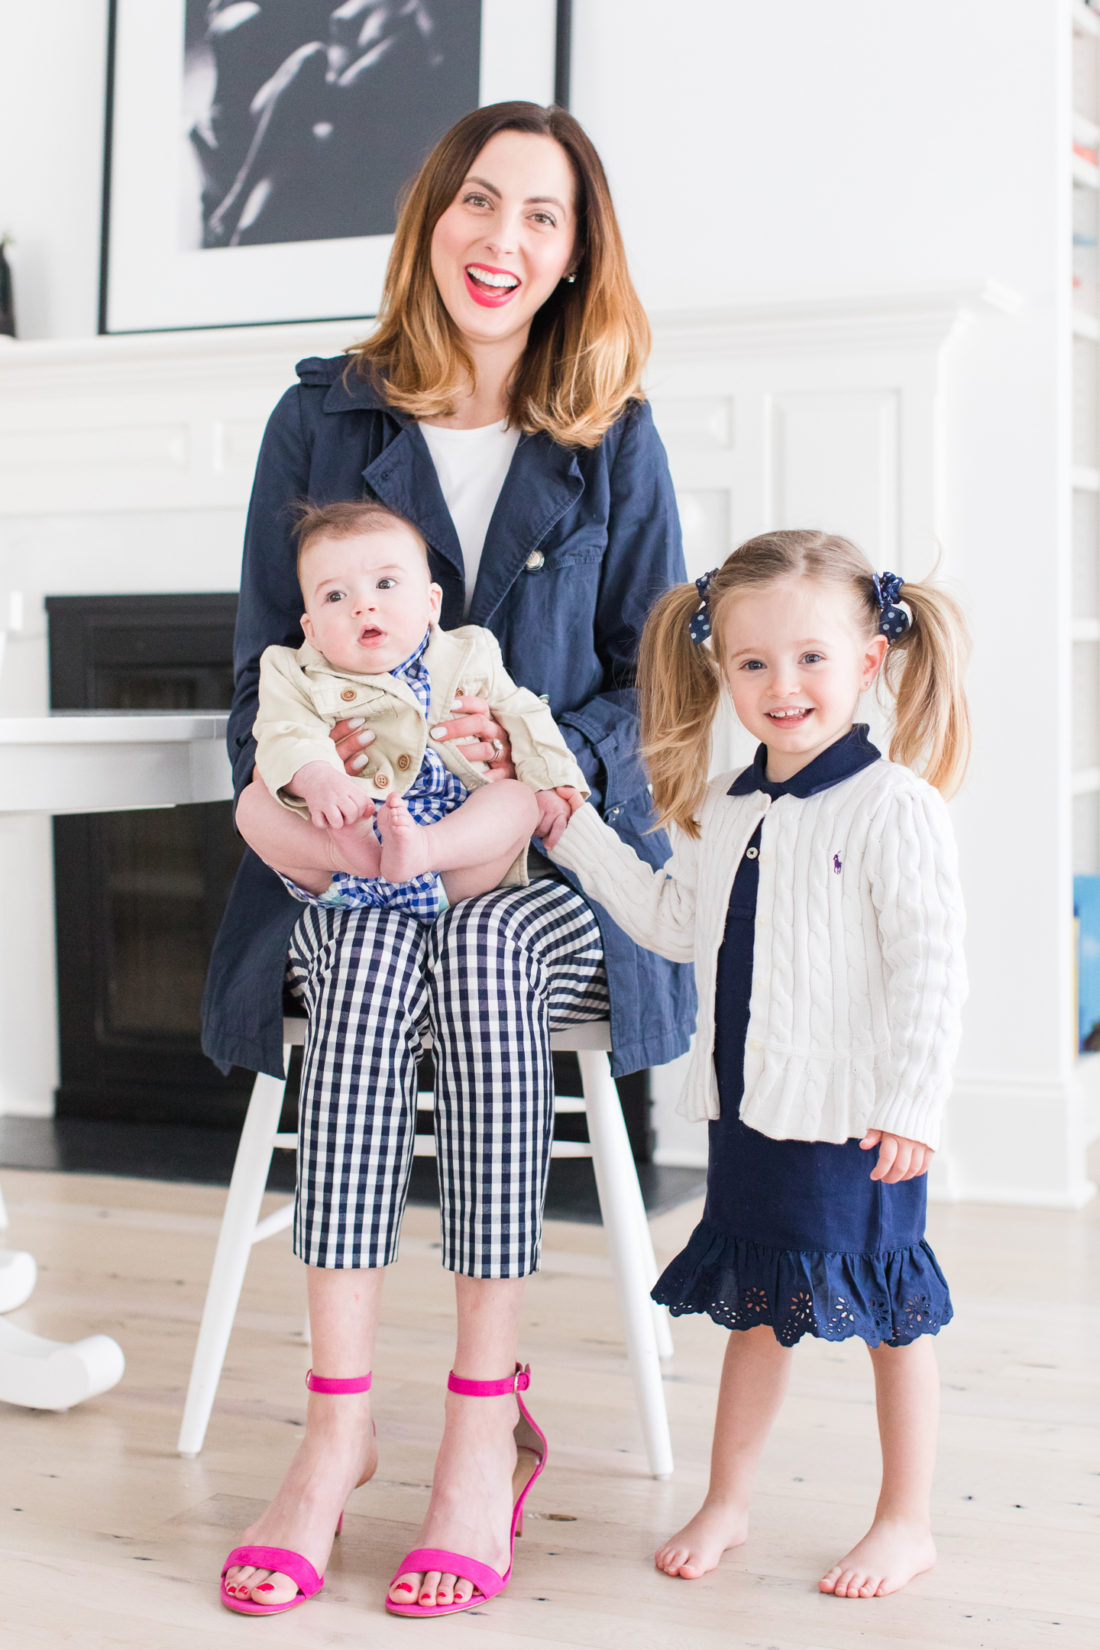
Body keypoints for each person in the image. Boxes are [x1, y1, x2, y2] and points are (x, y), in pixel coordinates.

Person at [201, 100, 694, 1620]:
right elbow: (252, 682)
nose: (504, 239)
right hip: (355, 858)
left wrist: (532, 783)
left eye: (543, 218)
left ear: (573, 258)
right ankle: (337, 1428)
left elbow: (663, 696)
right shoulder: (321, 417)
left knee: (478, 952)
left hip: (554, 862)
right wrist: (316, 808)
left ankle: (484, 1422)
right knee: (356, 951)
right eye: (481, 202)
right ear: (432, 218)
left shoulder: (615, 437)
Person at [548, 530, 969, 1600]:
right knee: (757, 1306)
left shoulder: (890, 809)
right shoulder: (730, 803)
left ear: (869, 659)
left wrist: (910, 1102)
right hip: (749, 1112)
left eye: (810, 658)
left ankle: (903, 1518)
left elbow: (931, 969)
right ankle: (726, 1497)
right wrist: (574, 831)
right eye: (752, 663)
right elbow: (672, 921)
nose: (782, 686)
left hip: (857, 1120)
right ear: (719, 669)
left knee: (887, 1314)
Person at [240, 498, 586, 912]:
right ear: (311, 630)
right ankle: (345, 850)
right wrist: (317, 780)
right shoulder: (291, 671)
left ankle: (424, 847)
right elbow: (285, 732)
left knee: (515, 801)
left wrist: (549, 781)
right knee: (252, 806)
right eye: (335, 595)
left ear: (431, 603)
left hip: (452, 861)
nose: (362, 605)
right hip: (341, 849)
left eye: (385, 584)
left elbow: (522, 712)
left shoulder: (470, 652)